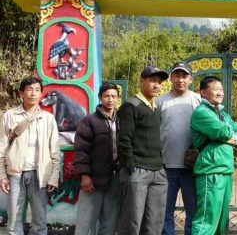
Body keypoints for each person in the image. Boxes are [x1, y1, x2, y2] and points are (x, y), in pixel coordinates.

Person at [0, 76, 60, 234]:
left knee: (40, 219)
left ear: (41, 94)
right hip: (15, 174)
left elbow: (54, 150)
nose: (33, 93)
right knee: (13, 219)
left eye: (37, 90)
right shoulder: (10, 116)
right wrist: (2, 175)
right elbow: (2, 148)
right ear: (21, 93)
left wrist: (54, 176)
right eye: (29, 89)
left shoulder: (48, 119)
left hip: (39, 174)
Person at [117, 66, 169, 235]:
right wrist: (131, 167)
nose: (156, 85)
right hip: (138, 170)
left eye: (159, 82)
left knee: (155, 221)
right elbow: (124, 139)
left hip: (158, 171)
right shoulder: (131, 106)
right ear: (142, 81)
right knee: (132, 221)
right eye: (152, 80)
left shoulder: (155, 107)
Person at [190, 76, 237, 235]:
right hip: (210, 170)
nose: (220, 92)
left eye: (221, 89)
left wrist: (234, 139)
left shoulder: (223, 114)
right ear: (203, 92)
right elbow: (224, 131)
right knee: (207, 219)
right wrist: (229, 133)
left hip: (226, 169)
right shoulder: (201, 112)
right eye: (215, 89)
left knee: (221, 221)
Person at [156, 62, 201, 235]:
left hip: (192, 167)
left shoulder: (198, 100)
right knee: (165, 212)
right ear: (171, 78)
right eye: (177, 76)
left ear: (190, 78)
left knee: (193, 212)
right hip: (166, 166)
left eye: (184, 76)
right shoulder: (160, 101)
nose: (180, 80)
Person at [73, 82, 121, 235]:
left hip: (115, 178)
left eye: (113, 96)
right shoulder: (90, 121)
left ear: (118, 98)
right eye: (106, 96)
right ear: (100, 97)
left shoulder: (122, 120)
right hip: (94, 177)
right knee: (85, 221)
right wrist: (85, 175)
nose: (110, 99)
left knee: (110, 221)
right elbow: (81, 149)